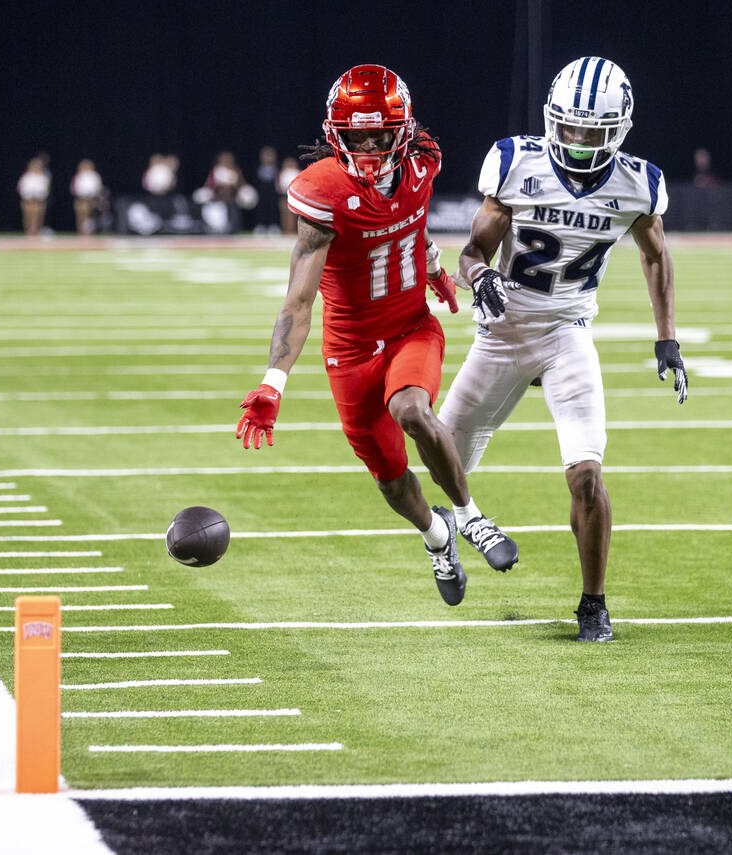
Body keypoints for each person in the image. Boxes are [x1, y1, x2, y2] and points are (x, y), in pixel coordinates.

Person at [235, 64, 518, 605]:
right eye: (356, 135)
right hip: (351, 353)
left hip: (412, 327)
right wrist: (273, 383)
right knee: (391, 481)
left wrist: (432, 265)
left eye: (379, 134)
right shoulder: (322, 193)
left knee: (412, 408)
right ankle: (439, 536)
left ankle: (472, 517)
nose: (368, 146)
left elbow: (411, 220)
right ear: (335, 135)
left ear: (402, 131)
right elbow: (298, 299)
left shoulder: (420, 165)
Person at [439, 56, 689, 642]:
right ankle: (456, 536)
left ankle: (594, 603)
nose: (577, 142)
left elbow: (655, 255)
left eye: (591, 132)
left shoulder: (637, 183)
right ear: (552, 119)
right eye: (569, 127)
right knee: (438, 456)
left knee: (586, 474)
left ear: (620, 130)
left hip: (566, 332)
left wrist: (667, 338)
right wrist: (479, 279)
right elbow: (472, 254)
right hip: (503, 330)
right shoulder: (516, 163)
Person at [17, 157, 50, 236]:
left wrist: (41, 196)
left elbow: (46, 188)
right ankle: (28, 230)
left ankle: (37, 230)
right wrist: (26, 196)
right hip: (27, 200)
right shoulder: (26, 176)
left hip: (39, 200)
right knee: (28, 215)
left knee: (38, 215)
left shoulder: (43, 177)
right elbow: (20, 187)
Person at [70, 159, 103, 234]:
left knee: (90, 216)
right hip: (80, 199)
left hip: (92, 199)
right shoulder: (79, 175)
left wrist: (95, 197)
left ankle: (89, 232)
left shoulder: (94, 175)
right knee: (81, 215)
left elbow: (98, 187)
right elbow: (73, 188)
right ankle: (80, 232)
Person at [275, 156, 300, 234]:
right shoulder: (282, 173)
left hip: (296, 197)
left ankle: (294, 231)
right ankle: (285, 231)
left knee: (294, 215)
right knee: (285, 215)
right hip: (284, 196)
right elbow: (278, 186)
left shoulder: (297, 172)